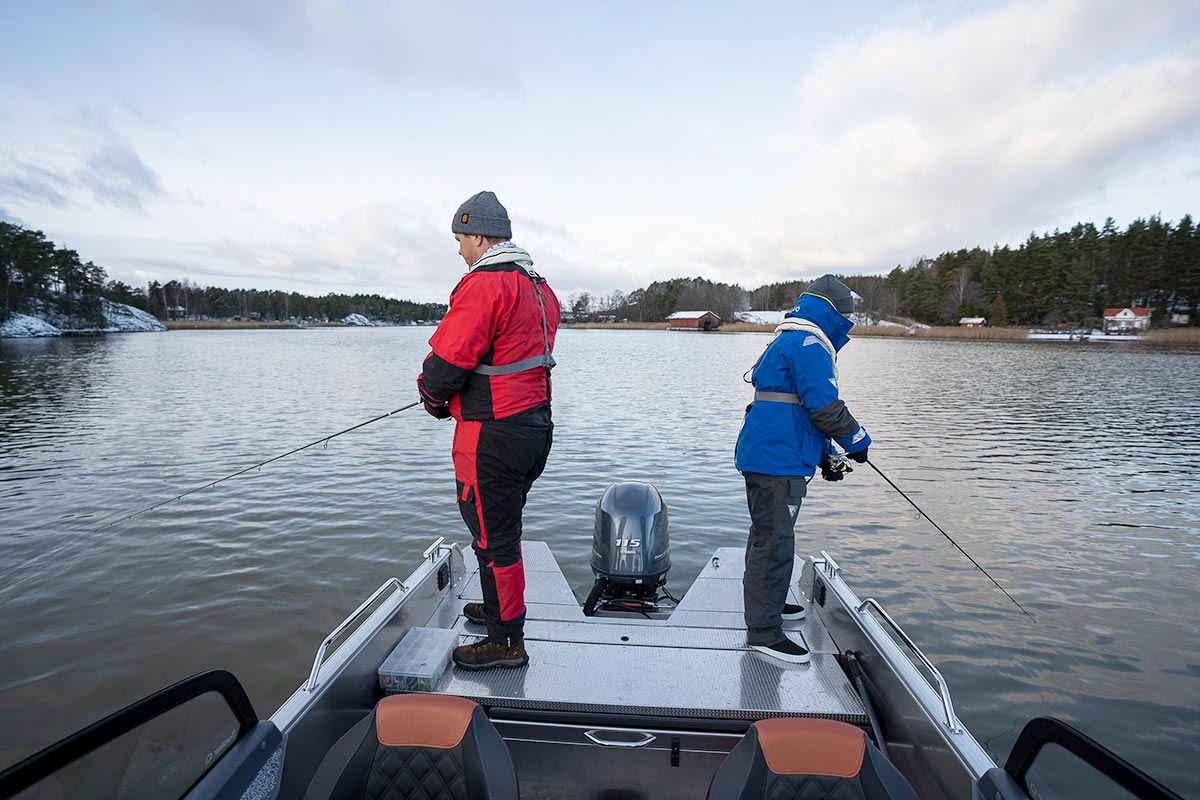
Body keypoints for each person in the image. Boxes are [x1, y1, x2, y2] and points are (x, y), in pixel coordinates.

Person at [418, 191, 560, 670]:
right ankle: (501, 610)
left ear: (480, 235)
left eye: (461, 239)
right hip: (534, 429)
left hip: (492, 436)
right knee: (500, 530)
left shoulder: (485, 284)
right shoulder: (539, 286)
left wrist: (433, 399)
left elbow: (445, 363)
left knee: (491, 535)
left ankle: (506, 642)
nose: (459, 250)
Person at [734, 274, 872, 664]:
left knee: (770, 535)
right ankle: (763, 631)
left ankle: (770, 606)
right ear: (830, 311)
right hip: (776, 460)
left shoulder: (793, 337)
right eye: (847, 312)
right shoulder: (809, 343)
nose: (850, 319)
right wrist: (857, 441)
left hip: (773, 455)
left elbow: (796, 409)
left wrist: (826, 453)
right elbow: (825, 407)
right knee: (774, 542)